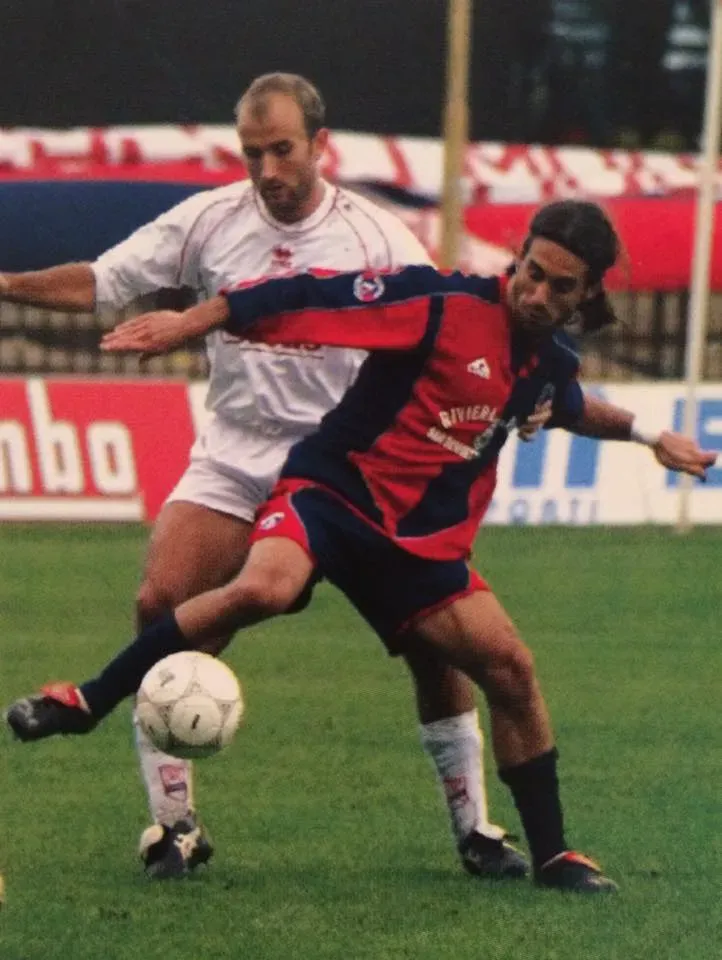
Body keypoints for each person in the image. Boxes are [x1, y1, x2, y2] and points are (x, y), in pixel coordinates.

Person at [8, 199, 716, 892]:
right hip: (333, 498)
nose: (535, 292)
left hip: (420, 552)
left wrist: (651, 437)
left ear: (586, 292)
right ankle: (88, 700)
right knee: (265, 588)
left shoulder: (550, 358)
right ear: (519, 256)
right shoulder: (440, 301)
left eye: (559, 286)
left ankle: (554, 855)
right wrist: (191, 321)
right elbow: (305, 293)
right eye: (531, 270)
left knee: (511, 670)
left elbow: (567, 405)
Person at [0, 72, 526, 881]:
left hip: (350, 470)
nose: (268, 169)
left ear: (320, 146)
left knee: (437, 644)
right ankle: (173, 828)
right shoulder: (209, 220)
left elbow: (445, 335)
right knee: (158, 602)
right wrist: (4, 284)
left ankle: (475, 828)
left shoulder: (379, 238)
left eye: (282, 150)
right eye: (253, 153)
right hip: (236, 457)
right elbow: (103, 280)